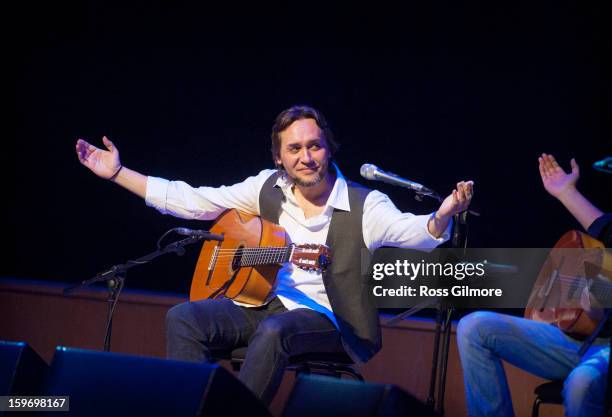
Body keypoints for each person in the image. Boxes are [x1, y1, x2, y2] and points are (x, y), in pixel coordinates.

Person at [76, 105, 474, 404]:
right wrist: (117, 173)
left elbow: (416, 232)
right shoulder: (267, 186)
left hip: (331, 320)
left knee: (275, 332)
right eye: (295, 148)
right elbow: (195, 201)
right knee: (183, 318)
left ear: (328, 149)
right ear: (280, 158)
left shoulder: (364, 204)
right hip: (262, 303)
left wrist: (441, 215)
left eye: (314, 146)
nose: (306, 156)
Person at [457, 153, 611, 417]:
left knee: (580, 384)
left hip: (600, 355)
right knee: (474, 327)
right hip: (584, 343)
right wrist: (565, 192)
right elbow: (603, 232)